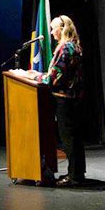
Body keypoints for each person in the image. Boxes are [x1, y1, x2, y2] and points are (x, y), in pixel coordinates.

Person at [31, 15, 85, 187]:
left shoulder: (65, 48)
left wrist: (37, 77)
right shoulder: (73, 46)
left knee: (69, 138)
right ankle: (76, 173)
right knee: (74, 138)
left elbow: (56, 76)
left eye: (53, 28)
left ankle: (74, 177)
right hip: (73, 98)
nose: (51, 32)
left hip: (65, 99)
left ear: (61, 29)